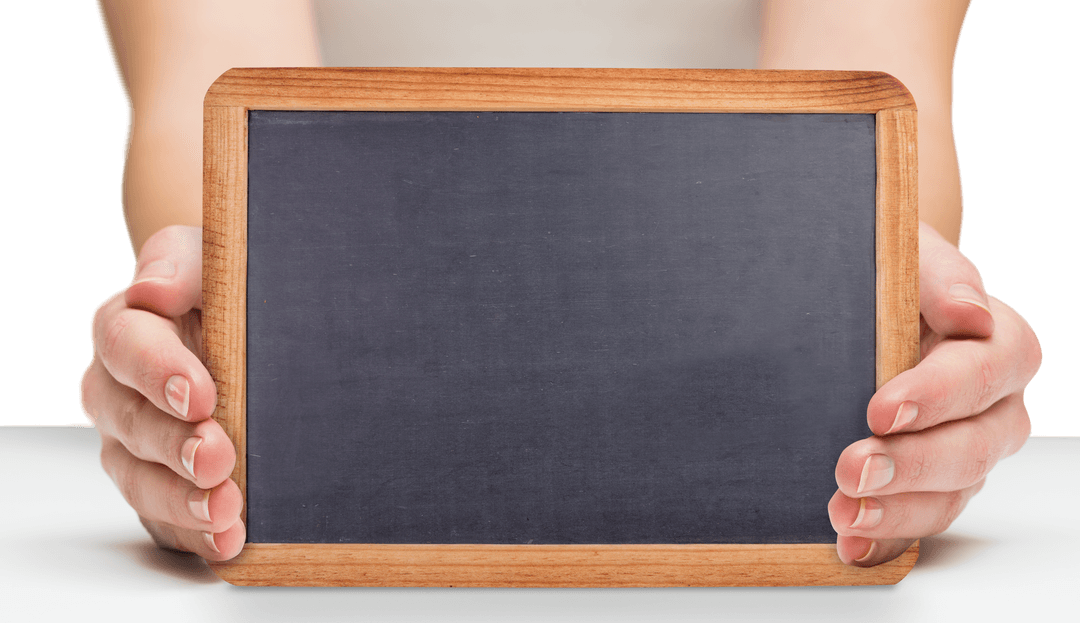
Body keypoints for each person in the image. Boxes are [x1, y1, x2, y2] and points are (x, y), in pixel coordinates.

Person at [82, 0, 1042, 566]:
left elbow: (858, 117)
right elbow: (221, 115)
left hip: (770, 479)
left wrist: (909, 328)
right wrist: (198, 349)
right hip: (336, 465)